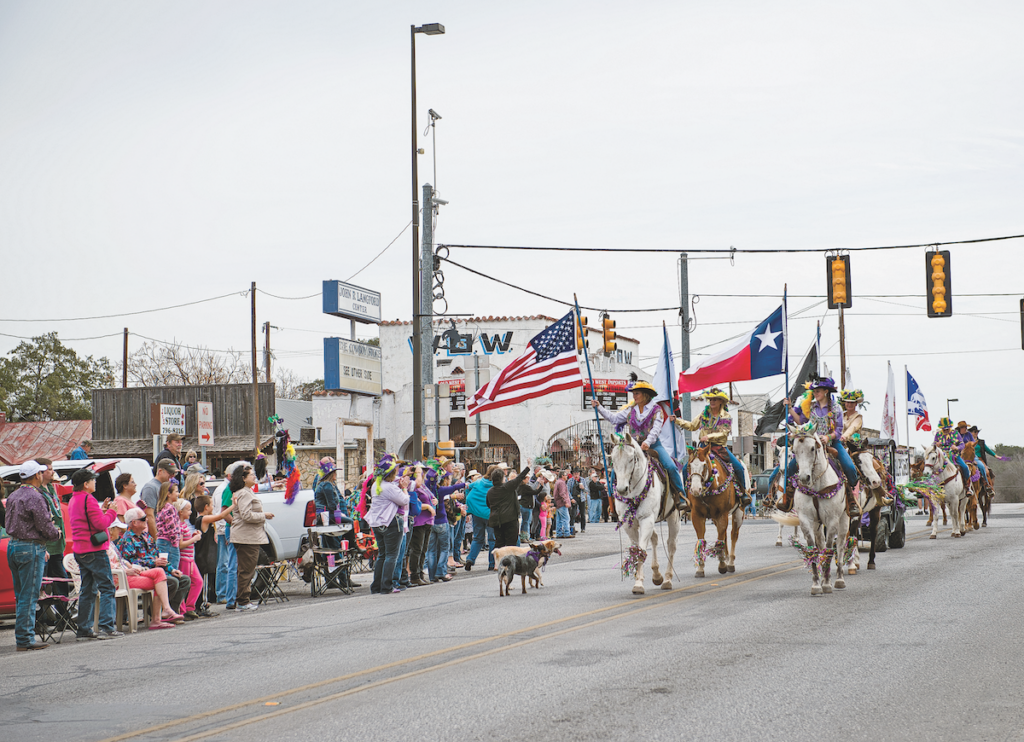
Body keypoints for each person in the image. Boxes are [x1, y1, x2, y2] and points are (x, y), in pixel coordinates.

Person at [593, 379, 688, 509]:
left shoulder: (657, 410)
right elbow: (614, 419)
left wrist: (647, 442)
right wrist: (599, 407)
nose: (634, 396)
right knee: (616, 470)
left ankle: (681, 496)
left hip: (654, 445)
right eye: (634, 393)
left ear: (645, 394)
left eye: (637, 393)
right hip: (632, 446)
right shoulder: (630, 410)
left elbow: (656, 429)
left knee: (670, 466)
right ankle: (614, 498)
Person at [5, 460, 61, 650]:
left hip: (13, 545)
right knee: (29, 596)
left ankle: (23, 637)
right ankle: (25, 639)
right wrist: (56, 533)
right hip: (30, 547)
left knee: (21, 595)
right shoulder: (35, 497)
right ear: (37, 475)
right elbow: (44, 525)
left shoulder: (13, 495)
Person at [68, 468, 124, 640]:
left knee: (87, 589)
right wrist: (112, 512)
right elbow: (100, 524)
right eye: (93, 480)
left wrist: (102, 509)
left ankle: (84, 628)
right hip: (94, 550)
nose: (95, 482)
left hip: (80, 549)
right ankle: (107, 627)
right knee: (107, 587)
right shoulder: (88, 499)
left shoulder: (74, 499)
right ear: (86, 484)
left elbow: (86, 520)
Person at [672, 388, 751, 508]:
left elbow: (724, 432)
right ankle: (685, 497)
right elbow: (692, 426)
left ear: (721, 401)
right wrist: (676, 421)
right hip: (703, 448)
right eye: (710, 399)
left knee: (739, 467)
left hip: (719, 448)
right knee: (684, 469)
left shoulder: (726, 416)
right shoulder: (703, 414)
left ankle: (743, 494)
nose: (712, 402)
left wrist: (708, 436)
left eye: (715, 399)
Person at [783, 377, 859, 502]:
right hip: (812, 444)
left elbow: (839, 430)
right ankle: (789, 497)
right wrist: (790, 408)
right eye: (814, 391)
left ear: (826, 391)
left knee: (850, 467)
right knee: (790, 468)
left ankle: (851, 500)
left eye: (818, 391)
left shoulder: (836, 408)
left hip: (833, 443)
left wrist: (828, 437)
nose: (815, 393)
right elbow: (802, 423)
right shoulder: (811, 407)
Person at [116, 508, 189, 623]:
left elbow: (157, 556)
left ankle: (171, 612)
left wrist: (171, 569)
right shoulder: (126, 540)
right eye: (143, 519)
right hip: (142, 573)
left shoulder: (147, 536)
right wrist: (153, 562)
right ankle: (156, 611)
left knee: (184, 579)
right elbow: (131, 562)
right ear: (134, 522)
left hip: (156, 571)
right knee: (171, 582)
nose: (147, 520)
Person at [106, 518, 176, 630]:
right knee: (159, 581)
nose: (119, 532)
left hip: (126, 574)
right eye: (118, 529)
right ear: (110, 530)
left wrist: (129, 566)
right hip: (121, 578)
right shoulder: (108, 545)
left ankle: (164, 611)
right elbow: (107, 565)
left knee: (159, 573)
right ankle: (159, 617)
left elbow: (121, 560)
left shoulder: (110, 544)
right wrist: (127, 570)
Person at [230, 463, 274, 612]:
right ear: (243, 478)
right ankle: (243, 601)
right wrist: (264, 515)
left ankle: (243, 599)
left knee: (247, 569)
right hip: (246, 537)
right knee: (246, 570)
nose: (254, 476)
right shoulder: (244, 493)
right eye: (251, 475)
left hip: (248, 536)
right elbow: (246, 515)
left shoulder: (246, 491)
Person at [364, 454, 408, 594]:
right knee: (391, 555)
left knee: (382, 555)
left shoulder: (377, 485)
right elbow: (404, 500)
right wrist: (405, 488)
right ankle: (387, 585)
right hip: (391, 522)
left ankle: (377, 586)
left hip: (377, 523)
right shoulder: (390, 487)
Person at [190, 493, 227, 617]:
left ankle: (200, 604)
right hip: (204, 556)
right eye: (212, 505)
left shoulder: (202, 519)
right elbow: (221, 515)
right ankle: (202, 605)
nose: (213, 507)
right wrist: (234, 506)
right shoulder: (203, 519)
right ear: (206, 507)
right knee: (204, 583)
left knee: (203, 581)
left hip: (205, 555)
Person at [215, 460, 244, 608]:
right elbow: (224, 512)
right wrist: (236, 525)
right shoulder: (228, 489)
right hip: (231, 528)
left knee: (236, 563)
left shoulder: (239, 490)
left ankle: (236, 596)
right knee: (231, 563)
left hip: (236, 528)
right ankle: (230, 598)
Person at [464, 464, 500, 571]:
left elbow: (467, 487)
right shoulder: (497, 485)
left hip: (477, 514)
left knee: (478, 538)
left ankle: (470, 559)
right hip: (490, 514)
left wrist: (469, 506)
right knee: (492, 539)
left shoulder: (479, 482)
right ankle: (492, 563)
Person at [173, 499, 204, 620]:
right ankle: (182, 609)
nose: (191, 512)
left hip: (190, 558)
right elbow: (180, 544)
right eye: (188, 510)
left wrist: (192, 536)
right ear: (181, 512)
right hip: (184, 559)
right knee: (184, 584)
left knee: (198, 581)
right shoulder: (179, 526)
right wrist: (194, 539)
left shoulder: (184, 524)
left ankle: (190, 606)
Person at [487, 466, 531, 548]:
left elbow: (489, 504)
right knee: (511, 545)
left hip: (496, 521)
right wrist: (528, 467)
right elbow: (519, 478)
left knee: (499, 544)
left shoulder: (490, 491)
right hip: (510, 520)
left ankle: (499, 560)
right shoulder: (507, 487)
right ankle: (510, 560)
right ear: (501, 478)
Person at [139, 459, 178, 539]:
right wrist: (157, 539)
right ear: (160, 471)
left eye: (174, 473)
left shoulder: (165, 486)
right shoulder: (150, 487)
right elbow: (149, 515)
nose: (173, 475)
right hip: (160, 537)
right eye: (170, 472)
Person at [934, 417, 971, 484]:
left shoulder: (956, 433)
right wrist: (936, 444)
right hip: (942, 457)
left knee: (965, 467)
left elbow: (962, 444)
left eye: (947, 429)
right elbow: (933, 444)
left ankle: (967, 485)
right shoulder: (938, 434)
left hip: (955, 456)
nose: (945, 430)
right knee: (932, 467)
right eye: (944, 429)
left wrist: (957, 447)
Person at [155, 481, 182, 571]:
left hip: (162, 541)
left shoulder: (162, 507)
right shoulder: (169, 508)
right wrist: (175, 542)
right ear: (168, 494)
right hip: (169, 543)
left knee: (164, 569)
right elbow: (171, 527)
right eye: (176, 491)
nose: (178, 494)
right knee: (173, 569)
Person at [552, 469, 574, 539]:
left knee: (559, 519)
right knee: (566, 518)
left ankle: (559, 533)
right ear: (562, 476)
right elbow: (562, 493)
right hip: (562, 503)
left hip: (558, 503)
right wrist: (566, 502)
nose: (567, 476)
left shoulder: (558, 482)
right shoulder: (561, 483)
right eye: (566, 475)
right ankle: (567, 532)